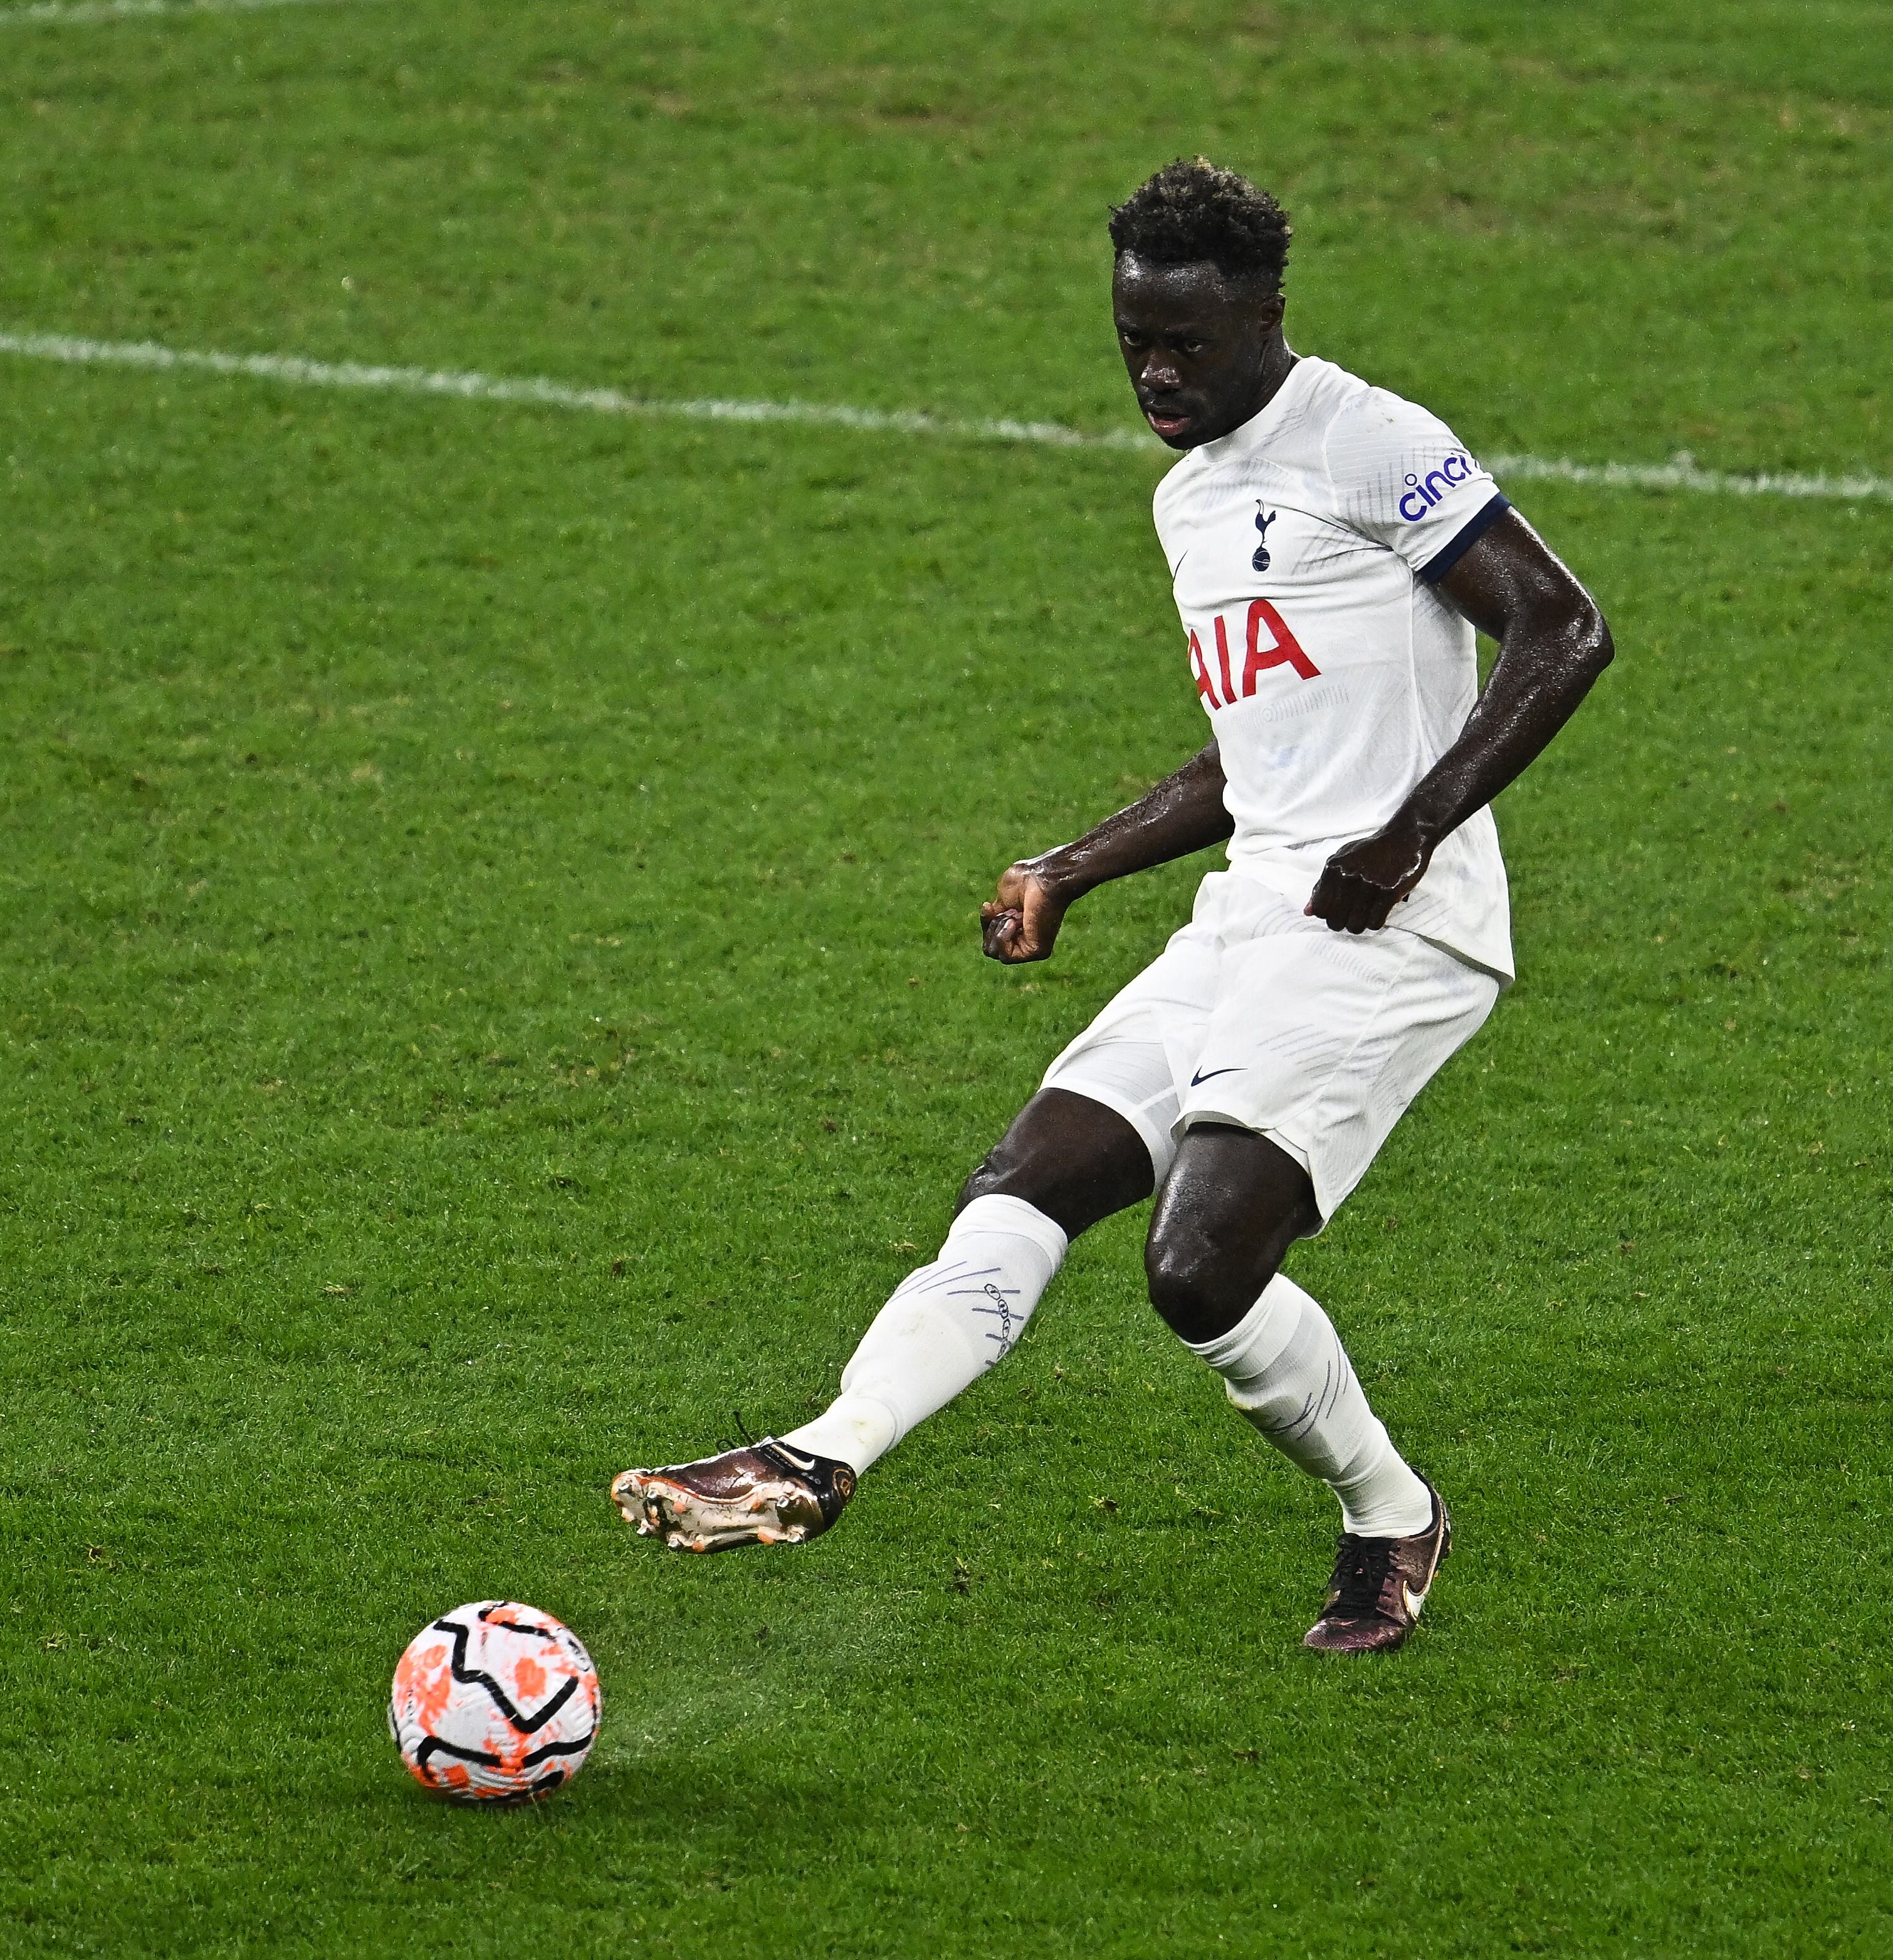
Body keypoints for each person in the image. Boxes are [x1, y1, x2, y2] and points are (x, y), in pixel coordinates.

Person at [614, 157, 1613, 1654]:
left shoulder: (1368, 441)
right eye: (1132, 337)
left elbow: (1564, 625)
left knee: (1200, 1269)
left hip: (1396, 928)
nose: (1155, 370)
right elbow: (1256, 755)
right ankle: (820, 1453)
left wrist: (1408, 833)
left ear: (1267, 315)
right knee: (1027, 1175)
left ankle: (1391, 1516)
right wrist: (1073, 865)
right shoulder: (1189, 501)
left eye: (1189, 343)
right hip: (1259, 903)